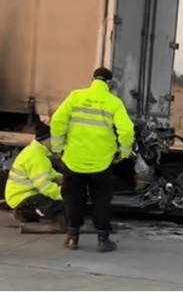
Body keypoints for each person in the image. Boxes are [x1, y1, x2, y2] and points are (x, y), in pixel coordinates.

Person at [50, 67, 135, 252]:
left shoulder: (75, 96)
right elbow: (127, 131)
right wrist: (124, 151)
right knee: (101, 199)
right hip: (101, 162)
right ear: (110, 83)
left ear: (92, 79)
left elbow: (57, 121)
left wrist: (58, 148)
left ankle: (72, 238)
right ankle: (103, 240)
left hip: (73, 159)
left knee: (73, 198)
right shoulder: (114, 102)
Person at [5, 124, 65, 226]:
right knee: (60, 206)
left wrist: (64, 179)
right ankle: (26, 213)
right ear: (47, 140)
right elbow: (45, 186)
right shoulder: (37, 157)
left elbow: (49, 173)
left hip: (25, 194)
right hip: (23, 197)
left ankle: (31, 212)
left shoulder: (37, 151)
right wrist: (64, 195)